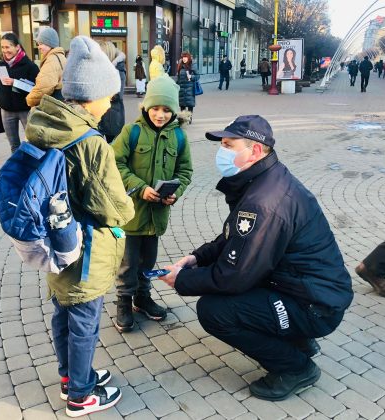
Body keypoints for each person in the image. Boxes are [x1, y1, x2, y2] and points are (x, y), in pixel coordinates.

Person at [159, 115, 353, 402]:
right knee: (234, 292)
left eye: (228, 145)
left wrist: (183, 280)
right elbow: (233, 238)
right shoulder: (263, 180)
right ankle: (298, 342)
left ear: (256, 151)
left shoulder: (265, 201)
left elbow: (234, 277)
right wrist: (196, 259)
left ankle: (296, 368)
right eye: (221, 144)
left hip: (315, 305)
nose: (221, 152)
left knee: (215, 311)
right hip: (303, 290)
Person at [24, 35, 135, 417]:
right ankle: (82, 396)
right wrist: (129, 210)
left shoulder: (45, 124)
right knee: (85, 321)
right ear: (93, 95)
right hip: (85, 247)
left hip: (54, 241)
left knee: (62, 312)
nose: (110, 104)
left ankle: (71, 376)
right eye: (109, 96)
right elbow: (112, 207)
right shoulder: (90, 142)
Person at [111, 76, 193, 332]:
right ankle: (123, 301)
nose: (160, 115)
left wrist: (175, 192)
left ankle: (142, 298)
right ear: (146, 107)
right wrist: (139, 187)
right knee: (128, 262)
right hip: (130, 215)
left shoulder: (178, 137)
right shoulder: (131, 132)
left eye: (167, 110)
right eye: (156, 108)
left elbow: (185, 170)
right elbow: (115, 164)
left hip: (157, 216)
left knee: (148, 262)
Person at [0, 33, 39, 153]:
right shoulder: (0, 65)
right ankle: (17, 169)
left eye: (8, 47)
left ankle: (32, 167)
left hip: (25, 110)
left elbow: (37, 89)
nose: (5, 50)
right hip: (6, 111)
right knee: (14, 145)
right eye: (3, 47)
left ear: (17, 47)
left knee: (32, 141)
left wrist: (15, 83)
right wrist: (1, 100)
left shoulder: (30, 66)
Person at [26, 27, 67, 107]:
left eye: (41, 44)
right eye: (38, 44)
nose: (38, 47)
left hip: (54, 106)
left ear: (50, 44)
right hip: (62, 103)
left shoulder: (52, 60)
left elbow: (43, 88)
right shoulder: (60, 56)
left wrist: (30, 100)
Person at [98, 41, 126, 143]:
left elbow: (117, 95)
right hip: (100, 116)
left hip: (113, 117)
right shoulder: (101, 68)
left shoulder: (118, 70)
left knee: (113, 150)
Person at [176, 51, 199, 123]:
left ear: (188, 57)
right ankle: (183, 119)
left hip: (190, 88)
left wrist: (191, 76)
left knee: (190, 105)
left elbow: (198, 76)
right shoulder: (180, 65)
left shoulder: (193, 64)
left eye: (185, 57)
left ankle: (189, 119)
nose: (184, 59)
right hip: (181, 88)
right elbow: (178, 76)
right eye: (183, 57)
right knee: (182, 105)